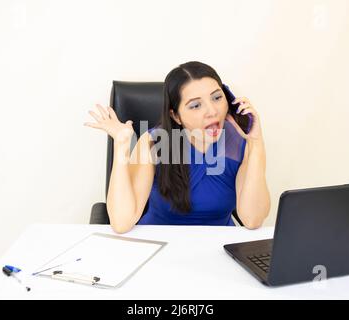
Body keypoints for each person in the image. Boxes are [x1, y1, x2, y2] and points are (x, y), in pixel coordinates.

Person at [84, 61, 270, 233]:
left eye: (216, 97)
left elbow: (252, 219)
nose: (212, 111)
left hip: (218, 247)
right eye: (196, 105)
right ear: (176, 116)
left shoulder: (241, 142)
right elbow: (121, 222)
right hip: (161, 245)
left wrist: (256, 142)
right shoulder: (154, 142)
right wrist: (122, 144)